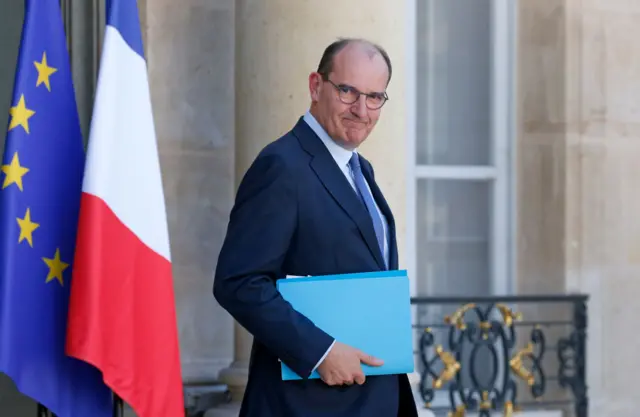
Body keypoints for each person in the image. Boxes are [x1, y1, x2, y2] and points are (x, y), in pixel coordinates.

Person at [213, 38, 418, 417]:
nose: (361, 109)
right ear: (315, 86)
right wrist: (319, 351)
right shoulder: (282, 166)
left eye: (375, 97)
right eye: (347, 91)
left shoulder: (360, 170)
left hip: (369, 400)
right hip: (307, 404)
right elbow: (238, 282)